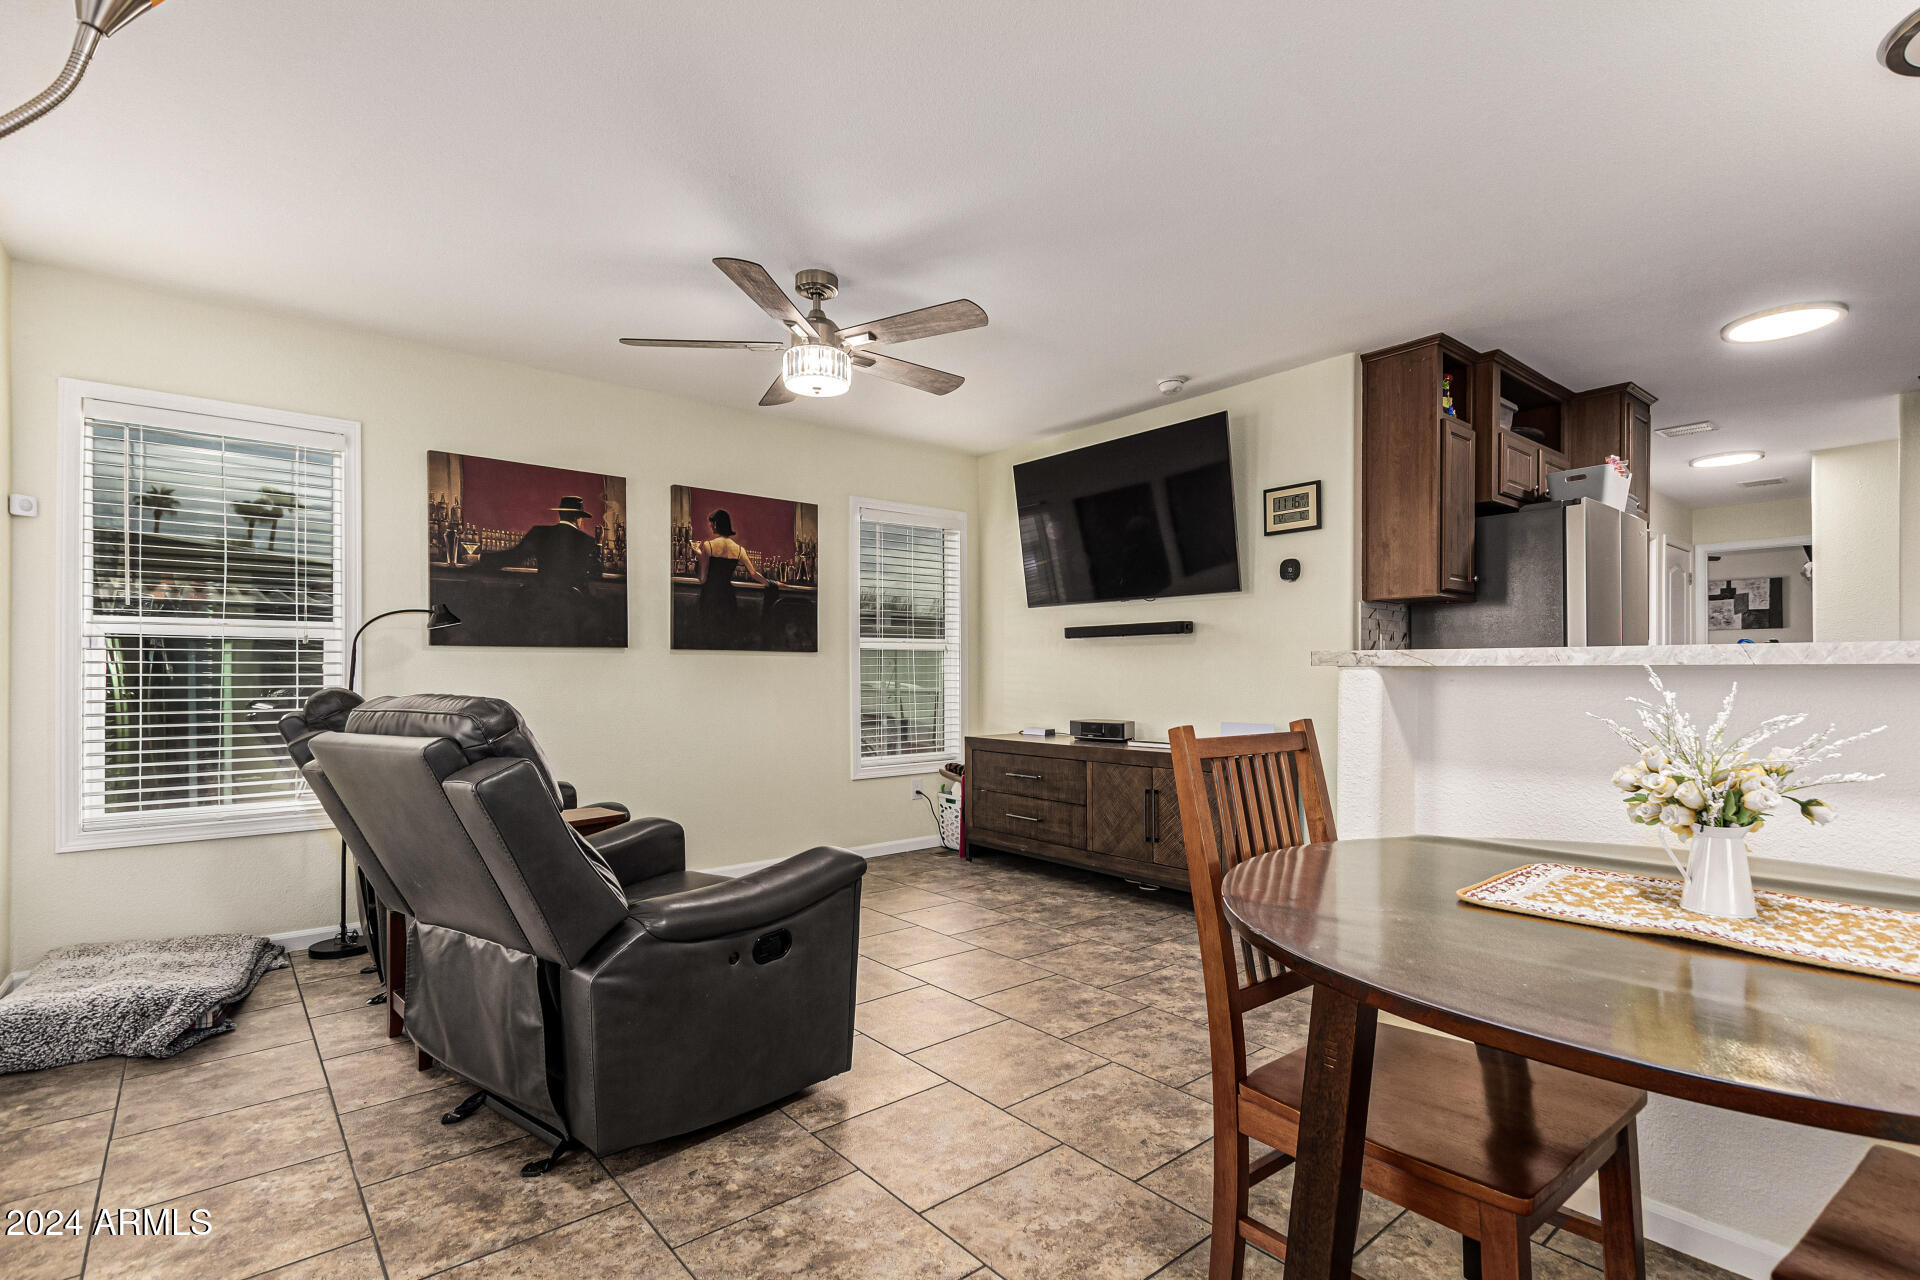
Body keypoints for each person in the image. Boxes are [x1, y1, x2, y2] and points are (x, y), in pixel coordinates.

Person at [690, 508, 770, 647]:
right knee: (726, 637)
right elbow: (753, 573)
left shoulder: (708, 546)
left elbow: (703, 579)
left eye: (711, 524)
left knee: (709, 637)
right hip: (728, 597)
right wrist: (773, 583)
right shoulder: (740, 549)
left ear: (715, 524)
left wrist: (698, 553)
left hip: (710, 596)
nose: (710, 527)